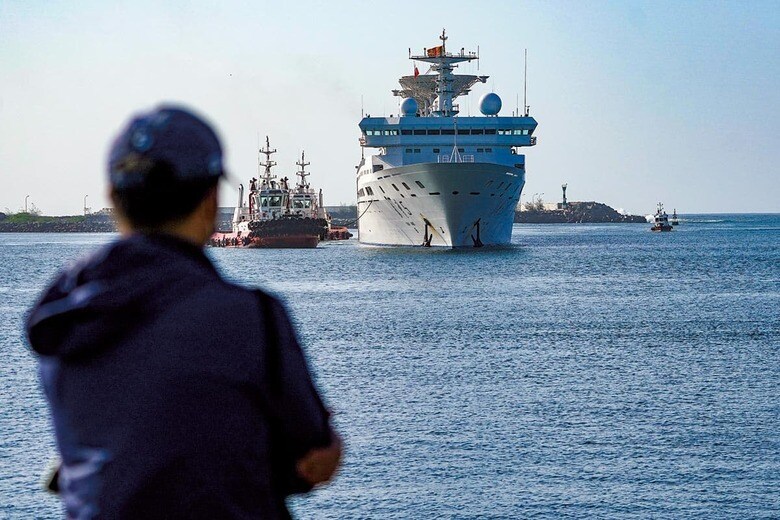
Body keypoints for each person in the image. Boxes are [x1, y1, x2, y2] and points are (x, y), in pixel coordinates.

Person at [26, 105, 341, 519]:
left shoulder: (59, 317)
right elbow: (314, 459)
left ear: (112, 198)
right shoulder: (250, 318)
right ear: (211, 201)